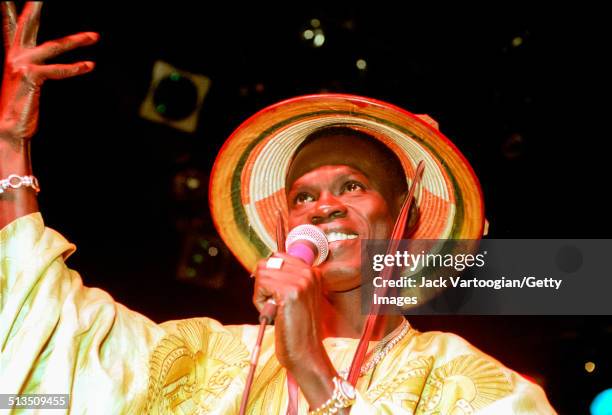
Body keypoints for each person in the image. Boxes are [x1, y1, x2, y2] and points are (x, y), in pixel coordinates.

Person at [0, 2, 556, 414]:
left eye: (353, 187)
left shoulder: (474, 388)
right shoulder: (202, 357)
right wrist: (9, 146)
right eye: (303, 197)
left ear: (404, 223)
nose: (325, 208)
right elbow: (49, 339)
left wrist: (314, 372)